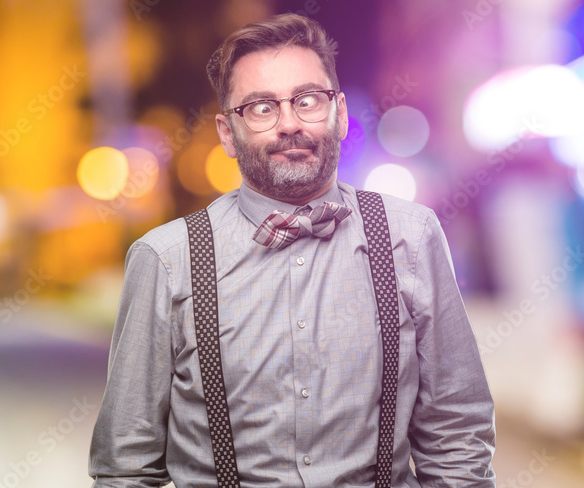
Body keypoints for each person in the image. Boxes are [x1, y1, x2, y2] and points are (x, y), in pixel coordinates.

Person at [88, 13, 497, 487]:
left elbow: (458, 435)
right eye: (261, 107)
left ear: (339, 114)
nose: (289, 124)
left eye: (306, 100)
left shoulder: (412, 235)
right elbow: (125, 465)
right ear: (227, 133)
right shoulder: (166, 259)